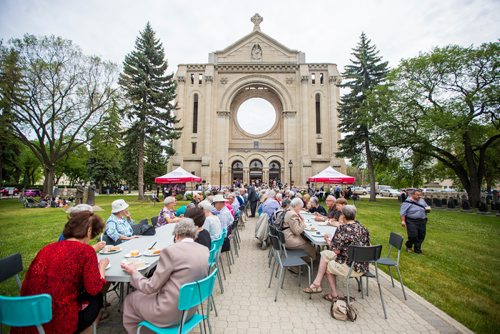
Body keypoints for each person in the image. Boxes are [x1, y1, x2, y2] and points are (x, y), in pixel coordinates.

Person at [14, 212, 109, 334]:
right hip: (57, 321)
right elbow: (94, 288)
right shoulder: (86, 251)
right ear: (89, 231)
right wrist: (102, 267)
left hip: (30, 315)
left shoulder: (47, 248)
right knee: (96, 298)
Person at [121, 218, 209, 333]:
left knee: (130, 299)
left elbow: (150, 287)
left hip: (168, 313)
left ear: (177, 235)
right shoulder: (204, 250)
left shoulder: (170, 251)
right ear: (194, 234)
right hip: (190, 310)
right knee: (143, 297)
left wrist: (134, 272)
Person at [303, 205, 370, 302]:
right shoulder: (363, 228)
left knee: (329, 266)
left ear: (343, 215)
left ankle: (333, 295)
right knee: (324, 254)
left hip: (351, 265)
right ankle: (317, 284)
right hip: (362, 264)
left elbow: (336, 251)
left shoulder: (342, 229)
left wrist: (327, 239)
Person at [400, 189, 431, 254]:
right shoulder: (407, 202)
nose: (419, 196)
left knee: (421, 236)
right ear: (412, 195)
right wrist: (403, 221)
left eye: (420, 195)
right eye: (417, 195)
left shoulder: (422, 200)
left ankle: (417, 249)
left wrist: (428, 209)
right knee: (413, 235)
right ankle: (409, 246)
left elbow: (426, 207)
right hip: (411, 221)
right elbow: (403, 213)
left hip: (422, 221)